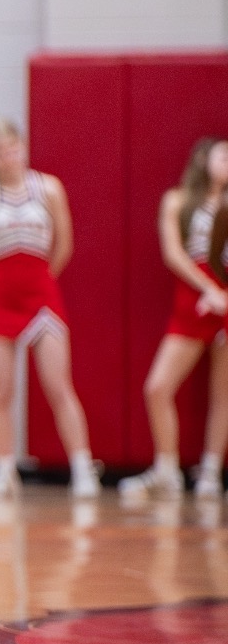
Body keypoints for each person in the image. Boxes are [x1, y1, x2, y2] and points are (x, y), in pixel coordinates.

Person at [0, 119, 100, 500]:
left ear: (23, 146)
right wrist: (3, 281)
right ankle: (5, 470)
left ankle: (82, 468)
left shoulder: (48, 188)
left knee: (58, 385)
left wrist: (41, 279)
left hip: (41, 293)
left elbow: (64, 244)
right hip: (0, 295)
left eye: (13, 148)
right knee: (3, 389)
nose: (8, 156)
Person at [119, 139, 228, 500]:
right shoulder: (177, 200)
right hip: (193, 302)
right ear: (203, 159)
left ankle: (211, 472)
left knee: (223, 392)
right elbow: (173, 253)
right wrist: (208, 290)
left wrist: (223, 296)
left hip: (225, 301)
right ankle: (167, 470)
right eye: (223, 155)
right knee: (158, 387)